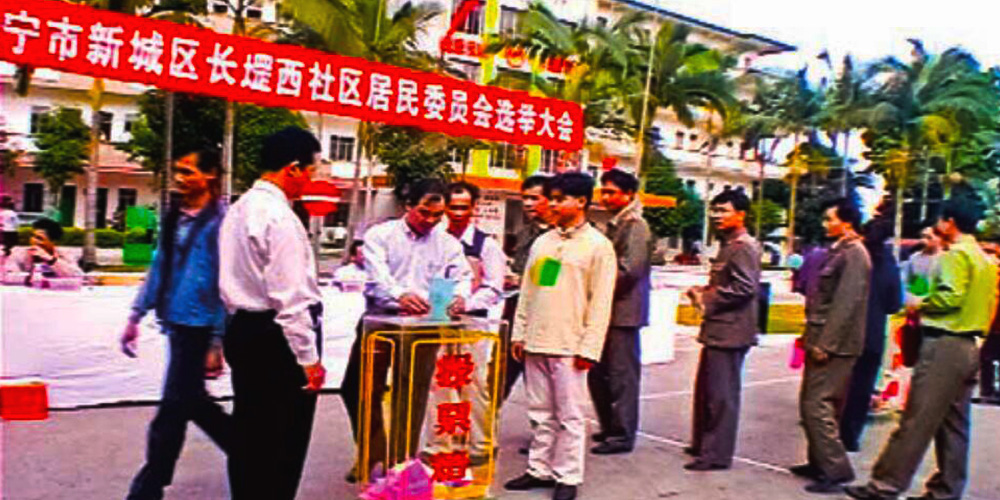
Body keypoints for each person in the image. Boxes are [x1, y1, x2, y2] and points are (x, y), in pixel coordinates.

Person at [846, 199, 1000, 500]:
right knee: (954, 424)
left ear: (950, 222)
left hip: (944, 343)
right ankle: (947, 489)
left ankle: (885, 484)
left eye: (940, 220)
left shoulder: (955, 255)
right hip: (969, 345)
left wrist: (920, 305)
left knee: (916, 420)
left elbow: (950, 297)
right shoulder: (983, 259)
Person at [218, 127, 326, 500]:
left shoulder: (238, 209)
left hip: (243, 328)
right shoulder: (279, 217)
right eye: (310, 171)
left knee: (250, 434)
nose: (310, 180)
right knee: (283, 441)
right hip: (276, 339)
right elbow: (290, 299)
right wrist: (308, 358)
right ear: (293, 168)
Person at [339, 178, 472, 480]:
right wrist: (400, 294)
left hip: (423, 326)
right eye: (424, 212)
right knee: (357, 388)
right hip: (380, 320)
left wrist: (460, 296)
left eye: (438, 215)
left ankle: (400, 463)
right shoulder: (380, 235)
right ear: (408, 206)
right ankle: (372, 449)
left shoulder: (448, 243)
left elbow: (462, 275)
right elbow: (378, 275)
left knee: (411, 395)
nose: (431, 221)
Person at [120, 147, 232, 500]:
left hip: (200, 324)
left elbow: (224, 284)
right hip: (175, 321)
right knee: (191, 401)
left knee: (173, 408)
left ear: (210, 175)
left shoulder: (222, 222)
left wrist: (216, 341)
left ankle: (148, 487)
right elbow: (159, 266)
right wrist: (136, 314)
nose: (180, 178)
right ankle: (249, 450)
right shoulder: (174, 216)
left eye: (187, 171)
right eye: (178, 171)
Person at [504, 172, 617, 500]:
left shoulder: (598, 246)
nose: (551, 205)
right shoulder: (545, 242)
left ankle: (567, 476)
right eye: (550, 199)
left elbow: (601, 302)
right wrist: (520, 333)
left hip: (571, 345)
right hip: (536, 340)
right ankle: (539, 469)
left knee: (570, 415)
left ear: (581, 202)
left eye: (559, 199)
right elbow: (533, 290)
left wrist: (590, 348)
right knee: (540, 411)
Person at [790, 198, 871, 494]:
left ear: (846, 222)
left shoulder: (855, 254)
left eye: (830, 219)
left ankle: (836, 470)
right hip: (821, 336)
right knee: (814, 403)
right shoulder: (839, 251)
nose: (826, 224)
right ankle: (819, 462)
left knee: (818, 405)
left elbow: (846, 303)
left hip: (836, 344)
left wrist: (827, 342)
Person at [683, 188, 761, 471]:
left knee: (721, 396)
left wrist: (707, 298)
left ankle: (716, 454)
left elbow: (744, 287)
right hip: (719, 329)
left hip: (731, 331)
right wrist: (704, 289)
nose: (716, 216)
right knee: (707, 391)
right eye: (714, 210)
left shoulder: (742, 247)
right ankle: (703, 445)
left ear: (741, 215)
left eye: (723, 211)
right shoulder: (729, 245)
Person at [588, 169, 653, 456]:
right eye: (603, 191)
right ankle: (609, 426)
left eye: (611, 192)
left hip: (623, 313)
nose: (605, 197)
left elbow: (629, 270)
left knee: (621, 377)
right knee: (600, 375)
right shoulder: (616, 223)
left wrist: (596, 289)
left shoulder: (635, 225)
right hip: (608, 311)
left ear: (628, 195)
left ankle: (622, 433)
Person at [839, 216, 902, 453]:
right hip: (873, 332)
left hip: (846, 330)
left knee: (838, 384)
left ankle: (830, 433)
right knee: (863, 386)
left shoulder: (852, 256)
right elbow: (894, 303)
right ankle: (851, 434)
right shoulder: (888, 263)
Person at [503, 175, 555, 403]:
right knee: (500, 377)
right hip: (515, 311)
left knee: (542, 391)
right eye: (524, 198)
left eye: (534, 198)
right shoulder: (524, 233)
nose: (527, 204)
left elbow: (548, 280)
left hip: (544, 318)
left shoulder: (557, 236)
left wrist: (521, 280)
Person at [4, 217, 82, 281]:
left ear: (53, 242)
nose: (34, 241)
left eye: (39, 238)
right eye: (32, 236)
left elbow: (77, 276)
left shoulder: (64, 255)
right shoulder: (18, 253)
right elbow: (9, 277)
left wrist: (51, 260)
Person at [902, 221, 943, 297]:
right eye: (923, 236)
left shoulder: (944, 259)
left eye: (929, 238)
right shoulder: (914, 257)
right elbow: (905, 281)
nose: (923, 241)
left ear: (939, 239)